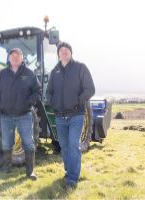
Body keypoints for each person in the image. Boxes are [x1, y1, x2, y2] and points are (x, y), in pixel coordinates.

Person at [46, 42, 95, 188]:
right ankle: (69, 171)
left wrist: (78, 101)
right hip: (60, 117)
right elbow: (49, 92)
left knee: (74, 145)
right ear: (58, 54)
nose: (64, 52)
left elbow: (90, 89)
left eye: (66, 50)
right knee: (65, 147)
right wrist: (52, 102)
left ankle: (73, 178)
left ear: (71, 53)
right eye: (61, 50)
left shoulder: (80, 68)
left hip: (76, 116)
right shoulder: (55, 72)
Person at [0, 48, 41, 180]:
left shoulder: (29, 74)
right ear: (9, 59)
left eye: (18, 56)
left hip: (24, 115)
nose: (15, 58)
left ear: (22, 59)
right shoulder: (2, 74)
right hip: (6, 116)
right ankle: (7, 168)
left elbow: (37, 91)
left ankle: (30, 172)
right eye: (12, 56)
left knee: (29, 143)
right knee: (7, 143)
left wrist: (28, 103)